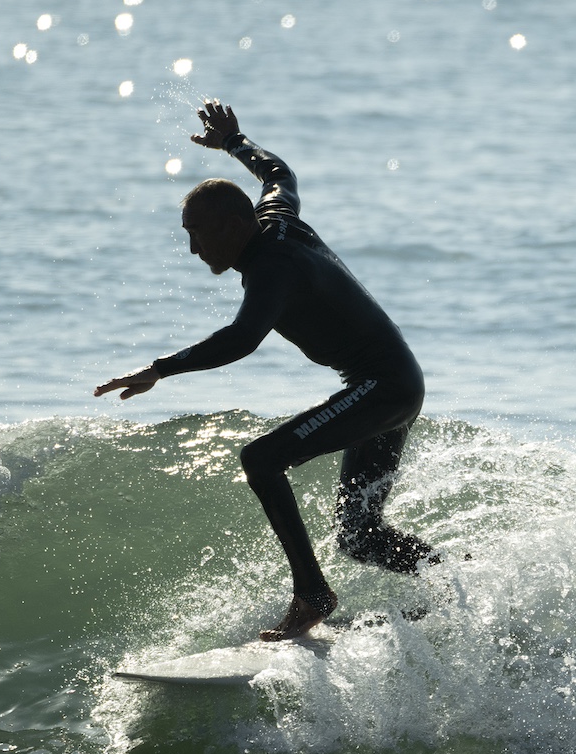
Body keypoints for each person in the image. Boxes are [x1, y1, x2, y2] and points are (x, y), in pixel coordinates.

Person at [95, 100, 435, 640]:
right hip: (393, 385)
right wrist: (235, 142)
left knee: (261, 459)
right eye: (186, 234)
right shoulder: (277, 220)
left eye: (198, 233)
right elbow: (279, 174)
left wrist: (161, 368)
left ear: (234, 226)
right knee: (358, 535)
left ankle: (312, 595)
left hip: (382, 387)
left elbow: (241, 339)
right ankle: (458, 580)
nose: (193, 249)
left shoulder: (272, 268)